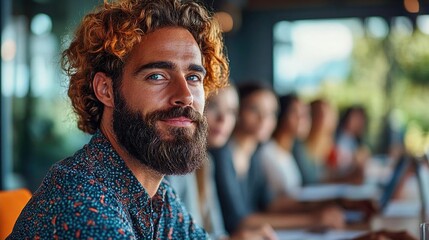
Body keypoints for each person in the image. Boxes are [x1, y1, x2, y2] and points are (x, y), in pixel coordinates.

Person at [9, 0, 229, 238]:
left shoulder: (158, 197)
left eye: (194, 77)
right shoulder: (81, 205)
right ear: (106, 89)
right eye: (157, 76)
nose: (185, 96)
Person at [211, 83, 345, 235]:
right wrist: (313, 219)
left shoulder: (254, 154)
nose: (264, 119)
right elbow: (240, 221)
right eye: (254, 109)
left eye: (271, 113)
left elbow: (271, 204)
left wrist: (330, 205)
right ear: (238, 111)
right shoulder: (221, 154)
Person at [168, 85, 276, 240]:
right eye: (213, 106)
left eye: (231, 111)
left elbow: (216, 232)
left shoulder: (206, 162)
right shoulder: (173, 165)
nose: (223, 119)